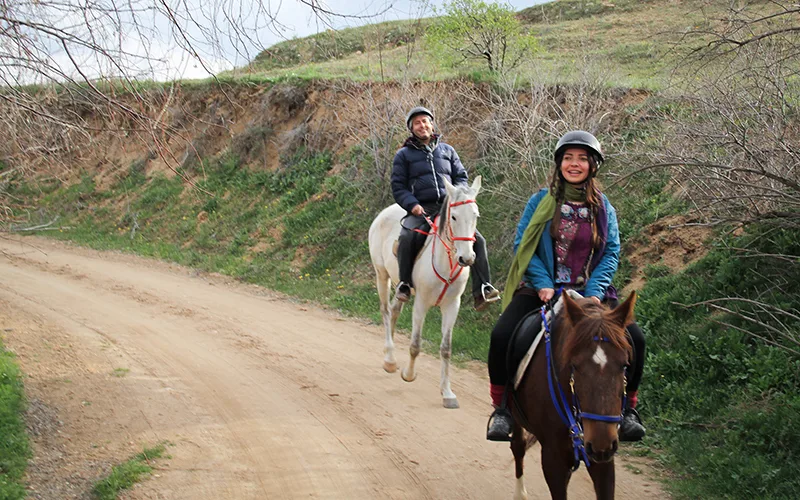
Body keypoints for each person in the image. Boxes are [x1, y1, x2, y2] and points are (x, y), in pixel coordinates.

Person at [485, 130, 646, 442]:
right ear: (559, 163)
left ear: (593, 166)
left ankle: (628, 410)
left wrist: (595, 292)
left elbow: (611, 251)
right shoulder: (539, 202)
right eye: (568, 158)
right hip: (541, 290)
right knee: (502, 334)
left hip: (591, 293)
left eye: (582, 159)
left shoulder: (603, 207)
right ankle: (502, 409)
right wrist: (544, 284)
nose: (574, 164)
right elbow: (524, 245)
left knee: (634, 338)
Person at [391, 106, 500, 311]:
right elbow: (398, 187)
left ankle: (482, 289)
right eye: (417, 123)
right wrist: (412, 204)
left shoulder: (448, 151)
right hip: (422, 208)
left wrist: (458, 194)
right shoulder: (403, 155)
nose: (422, 125)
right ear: (411, 129)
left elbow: (461, 177)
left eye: (425, 121)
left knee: (479, 240)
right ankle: (404, 283)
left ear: (432, 124)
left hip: (450, 207)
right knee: (407, 237)